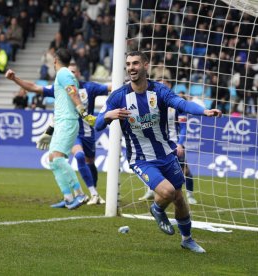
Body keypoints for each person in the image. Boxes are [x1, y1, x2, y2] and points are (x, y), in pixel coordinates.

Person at [95, 51, 222, 253]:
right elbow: (98, 125)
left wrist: (203, 111)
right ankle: (156, 208)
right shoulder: (119, 96)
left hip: (165, 154)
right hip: (141, 159)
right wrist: (109, 115)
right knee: (168, 192)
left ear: (146, 65)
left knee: (179, 198)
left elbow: (181, 103)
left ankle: (187, 239)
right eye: (128, 64)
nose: (131, 68)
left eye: (135, 63)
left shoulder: (160, 91)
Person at [5, 63, 112, 205]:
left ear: (78, 73)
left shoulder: (90, 87)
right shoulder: (59, 87)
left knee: (90, 162)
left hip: (88, 133)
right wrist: (15, 79)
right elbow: (35, 87)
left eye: (74, 72)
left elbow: (111, 86)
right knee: (73, 157)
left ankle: (93, 192)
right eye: (69, 72)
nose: (71, 75)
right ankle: (80, 194)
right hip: (71, 130)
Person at [26, 48, 93, 209]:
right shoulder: (62, 75)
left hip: (68, 121)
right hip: (62, 122)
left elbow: (72, 91)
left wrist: (81, 109)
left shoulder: (63, 73)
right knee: (52, 160)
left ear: (55, 60)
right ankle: (68, 197)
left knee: (57, 158)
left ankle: (80, 194)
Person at [139, 89, 197, 205]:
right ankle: (150, 192)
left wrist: (180, 143)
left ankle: (190, 195)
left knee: (184, 170)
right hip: (160, 143)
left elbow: (184, 127)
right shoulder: (154, 105)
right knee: (154, 167)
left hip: (175, 144)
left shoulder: (176, 107)